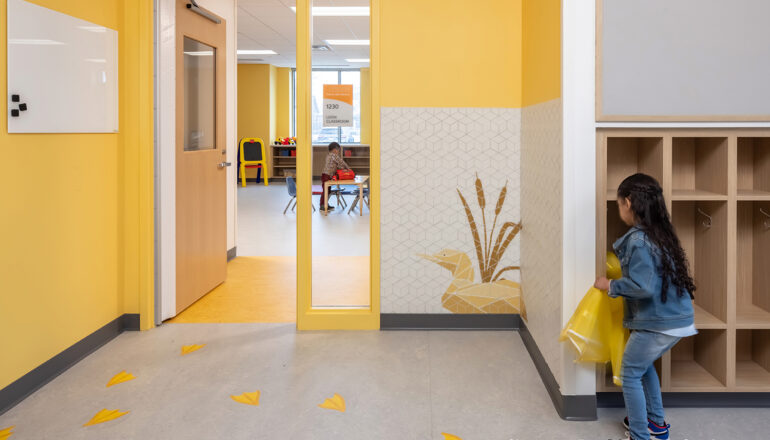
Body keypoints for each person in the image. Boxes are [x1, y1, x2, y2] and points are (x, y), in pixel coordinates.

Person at [594, 173, 696, 440]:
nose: (619, 211)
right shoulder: (659, 234)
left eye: (618, 205)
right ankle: (655, 422)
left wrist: (610, 286)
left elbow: (643, 286)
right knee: (643, 365)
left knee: (629, 373)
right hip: (676, 319)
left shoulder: (639, 241)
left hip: (660, 322)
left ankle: (641, 435)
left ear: (628, 202)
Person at [320, 142, 351, 211]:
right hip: (326, 175)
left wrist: (343, 168)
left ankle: (325, 204)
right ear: (334, 150)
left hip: (327, 175)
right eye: (338, 150)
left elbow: (338, 165)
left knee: (328, 190)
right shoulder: (334, 155)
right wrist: (348, 169)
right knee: (326, 191)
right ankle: (322, 206)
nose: (338, 152)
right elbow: (341, 162)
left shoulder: (329, 155)